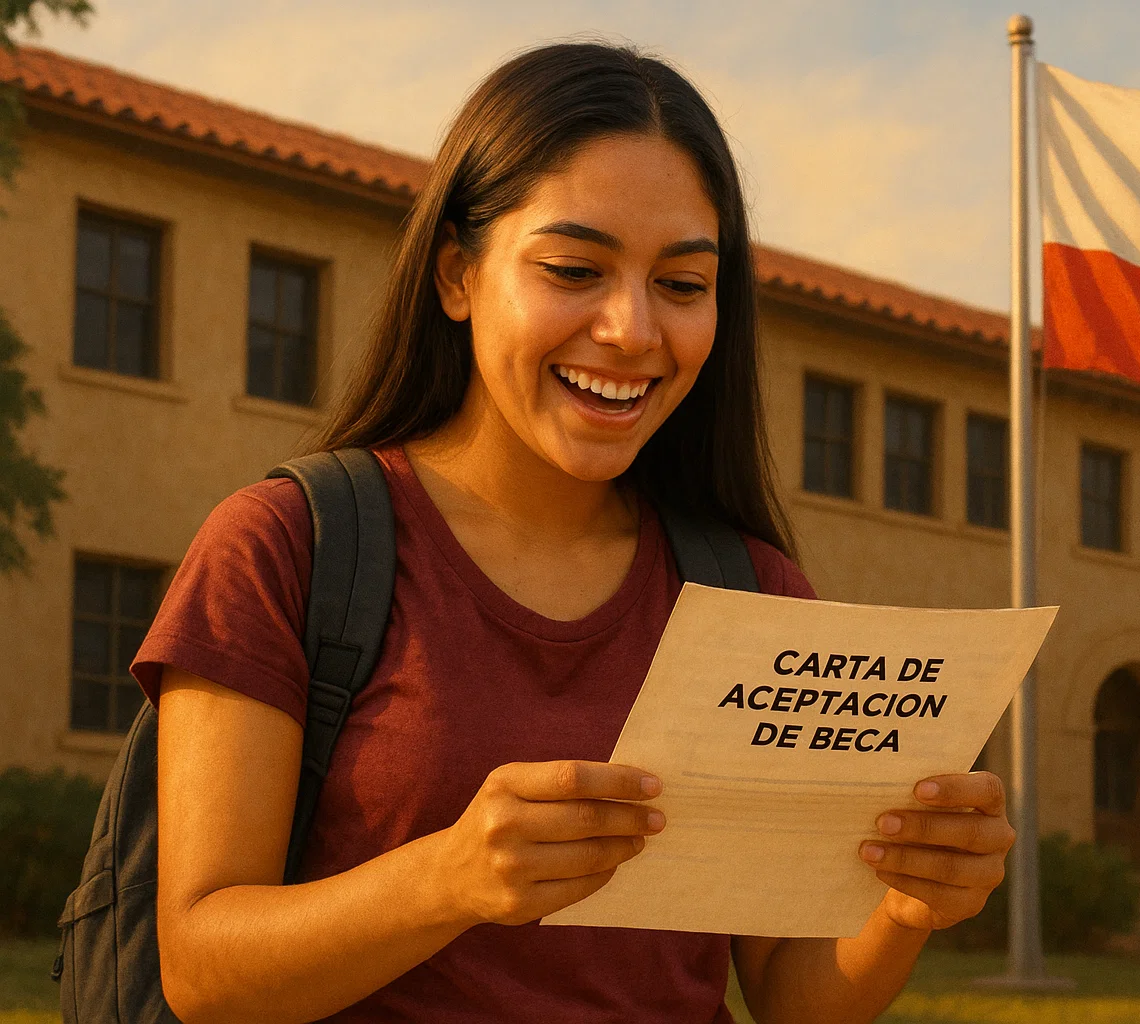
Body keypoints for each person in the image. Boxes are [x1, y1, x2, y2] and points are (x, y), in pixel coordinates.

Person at [132, 42, 1014, 1024]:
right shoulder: (286, 546)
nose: (633, 329)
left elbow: (793, 999)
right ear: (458, 276)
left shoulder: (754, 592)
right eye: (574, 269)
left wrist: (903, 903)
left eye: (682, 285)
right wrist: (451, 878)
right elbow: (202, 970)